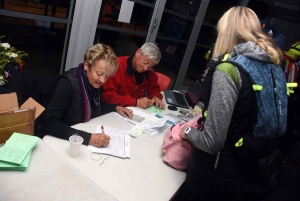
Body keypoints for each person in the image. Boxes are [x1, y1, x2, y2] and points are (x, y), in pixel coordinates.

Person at [172, 6, 285, 201]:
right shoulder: (275, 67)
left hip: (215, 172)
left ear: (226, 31)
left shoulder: (229, 69)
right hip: (250, 163)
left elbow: (211, 143)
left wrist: (187, 132)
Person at [42, 43, 133, 147]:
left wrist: (115, 107)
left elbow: (94, 105)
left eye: (106, 76)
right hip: (62, 141)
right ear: (86, 65)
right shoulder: (67, 83)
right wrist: (87, 138)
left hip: (80, 133)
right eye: (99, 74)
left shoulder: (93, 82)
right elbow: (49, 123)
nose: (103, 80)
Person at [102, 42, 165, 109]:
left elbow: (154, 88)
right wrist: (135, 102)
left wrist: (155, 96)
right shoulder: (116, 66)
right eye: (145, 62)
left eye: (150, 66)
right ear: (138, 52)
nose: (145, 68)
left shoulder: (150, 73)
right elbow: (107, 96)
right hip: (115, 111)